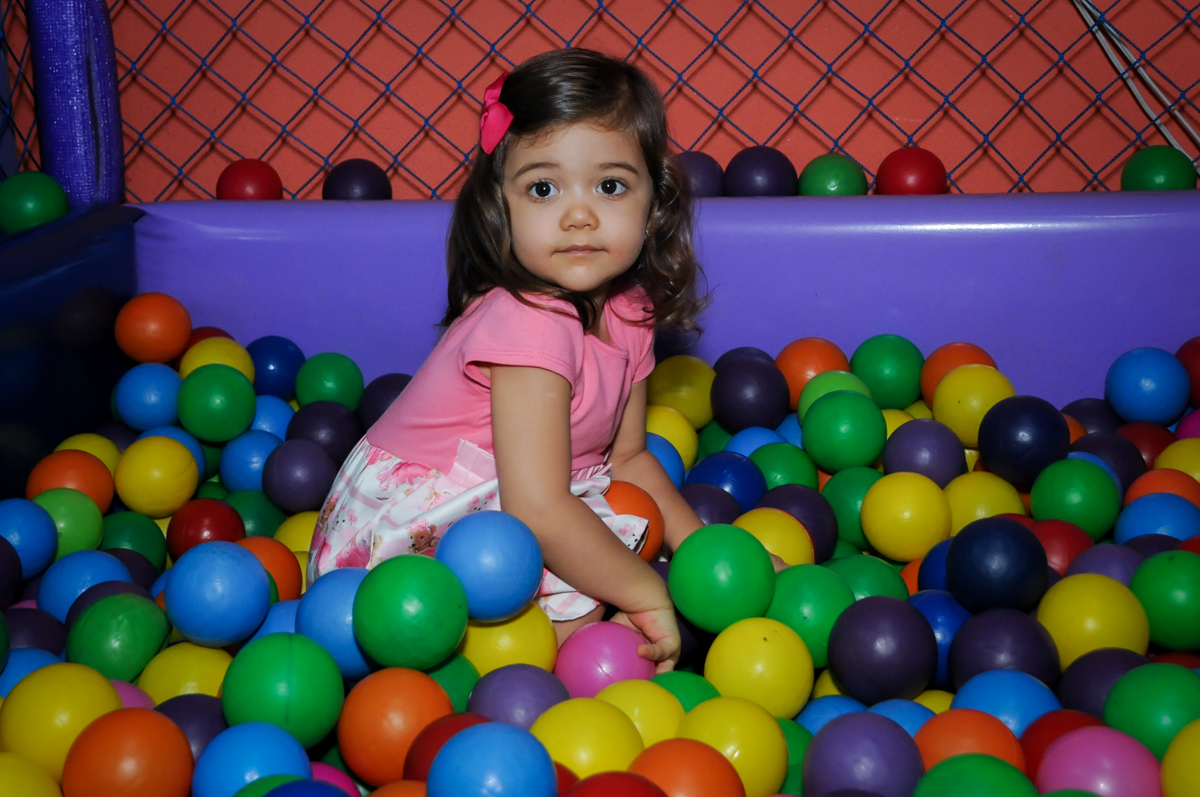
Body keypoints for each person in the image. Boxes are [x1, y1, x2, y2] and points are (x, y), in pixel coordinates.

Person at [308, 49, 711, 673]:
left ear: (652, 203)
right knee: (596, 574)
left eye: (610, 185)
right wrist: (646, 590)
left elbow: (626, 459)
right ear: (503, 207)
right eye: (543, 188)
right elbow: (540, 508)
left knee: (607, 545)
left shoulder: (631, 310)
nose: (579, 215)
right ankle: (507, 692)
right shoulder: (533, 321)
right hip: (401, 542)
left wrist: (706, 558)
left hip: (521, 503)